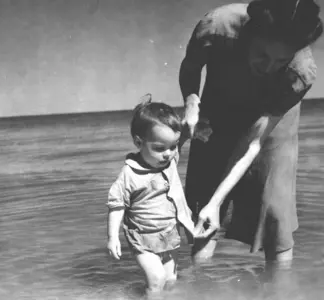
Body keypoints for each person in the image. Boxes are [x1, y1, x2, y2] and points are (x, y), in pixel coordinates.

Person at [179, 0, 323, 264]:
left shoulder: (300, 72)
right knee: (205, 216)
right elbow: (190, 67)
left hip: (271, 123)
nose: (268, 67)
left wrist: (217, 201)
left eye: (280, 61)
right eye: (262, 55)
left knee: (275, 213)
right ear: (251, 33)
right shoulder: (216, 26)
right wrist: (191, 101)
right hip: (220, 108)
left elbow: (253, 143)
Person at [106, 94, 196, 295]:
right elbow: (116, 205)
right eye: (159, 148)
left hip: (169, 234)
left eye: (173, 146)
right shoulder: (130, 174)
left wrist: (192, 122)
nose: (168, 153)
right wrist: (113, 237)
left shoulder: (169, 160)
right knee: (156, 279)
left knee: (171, 280)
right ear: (139, 143)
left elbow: (183, 135)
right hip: (142, 238)